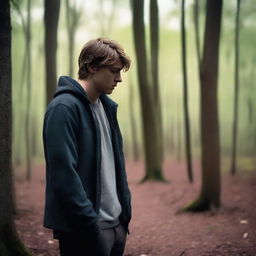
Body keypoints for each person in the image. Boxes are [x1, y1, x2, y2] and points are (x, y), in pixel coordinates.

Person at [42, 38, 132, 256]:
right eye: (114, 71)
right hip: (85, 231)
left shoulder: (106, 107)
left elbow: (114, 164)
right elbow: (63, 175)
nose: (119, 79)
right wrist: (90, 224)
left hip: (116, 226)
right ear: (92, 67)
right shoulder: (63, 108)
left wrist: (124, 215)